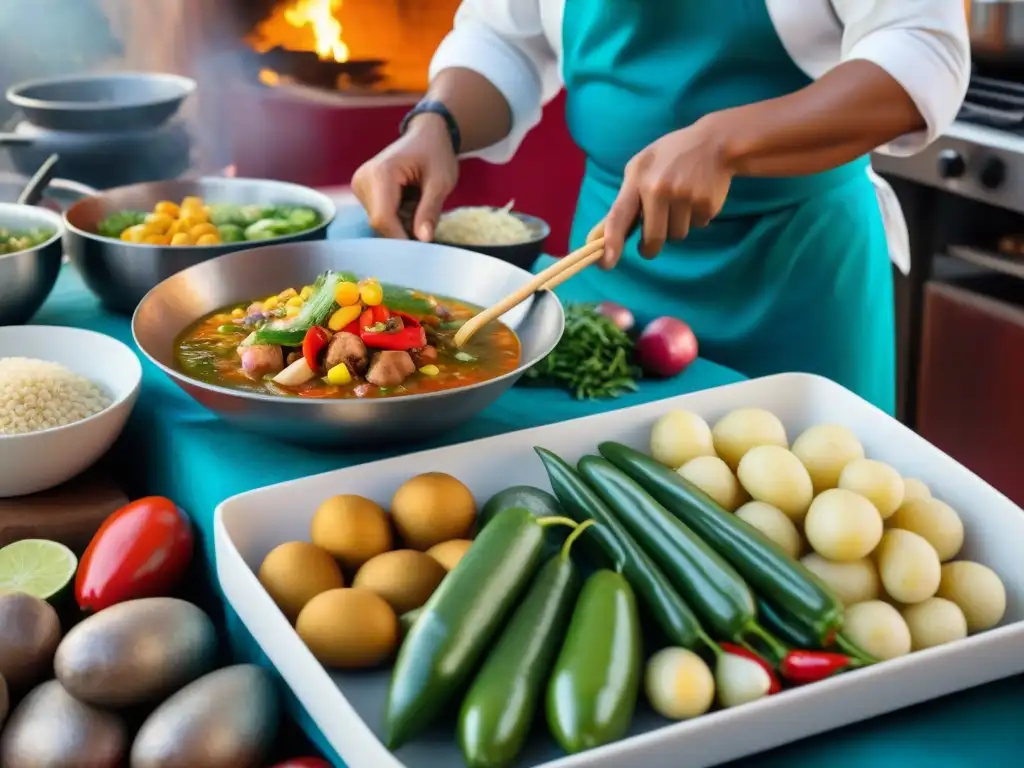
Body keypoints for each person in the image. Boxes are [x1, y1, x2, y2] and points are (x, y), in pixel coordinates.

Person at [352, 1, 970, 414]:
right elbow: (503, 37)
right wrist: (437, 124)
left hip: (798, 273)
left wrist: (728, 141)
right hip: (610, 267)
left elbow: (922, 51)